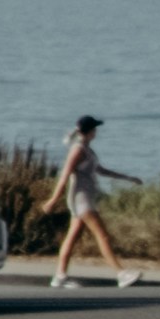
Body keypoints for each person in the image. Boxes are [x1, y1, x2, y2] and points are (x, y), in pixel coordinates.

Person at [44, 115, 125, 292]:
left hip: (85, 198)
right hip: (81, 199)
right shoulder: (78, 150)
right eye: (94, 129)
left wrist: (127, 178)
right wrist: (53, 199)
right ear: (89, 132)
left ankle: (59, 277)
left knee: (72, 238)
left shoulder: (86, 149)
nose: (96, 132)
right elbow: (65, 175)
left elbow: (100, 170)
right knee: (103, 236)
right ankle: (121, 274)